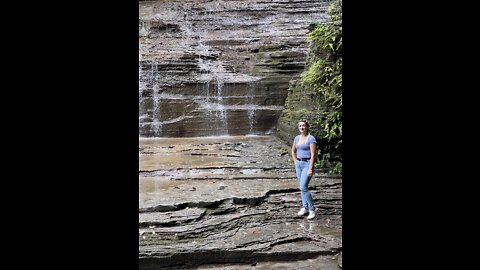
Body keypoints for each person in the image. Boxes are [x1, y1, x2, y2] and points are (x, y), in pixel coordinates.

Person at [291, 119, 317, 219]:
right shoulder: (297, 138)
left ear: (307, 127)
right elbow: (293, 151)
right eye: (300, 126)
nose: (302, 127)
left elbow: (313, 154)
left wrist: (310, 168)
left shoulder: (311, 139)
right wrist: (295, 161)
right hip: (299, 164)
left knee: (303, 187)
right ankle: (305, 207)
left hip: (307, 164)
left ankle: (312, 209)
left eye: (303, 126)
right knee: (302, 187)